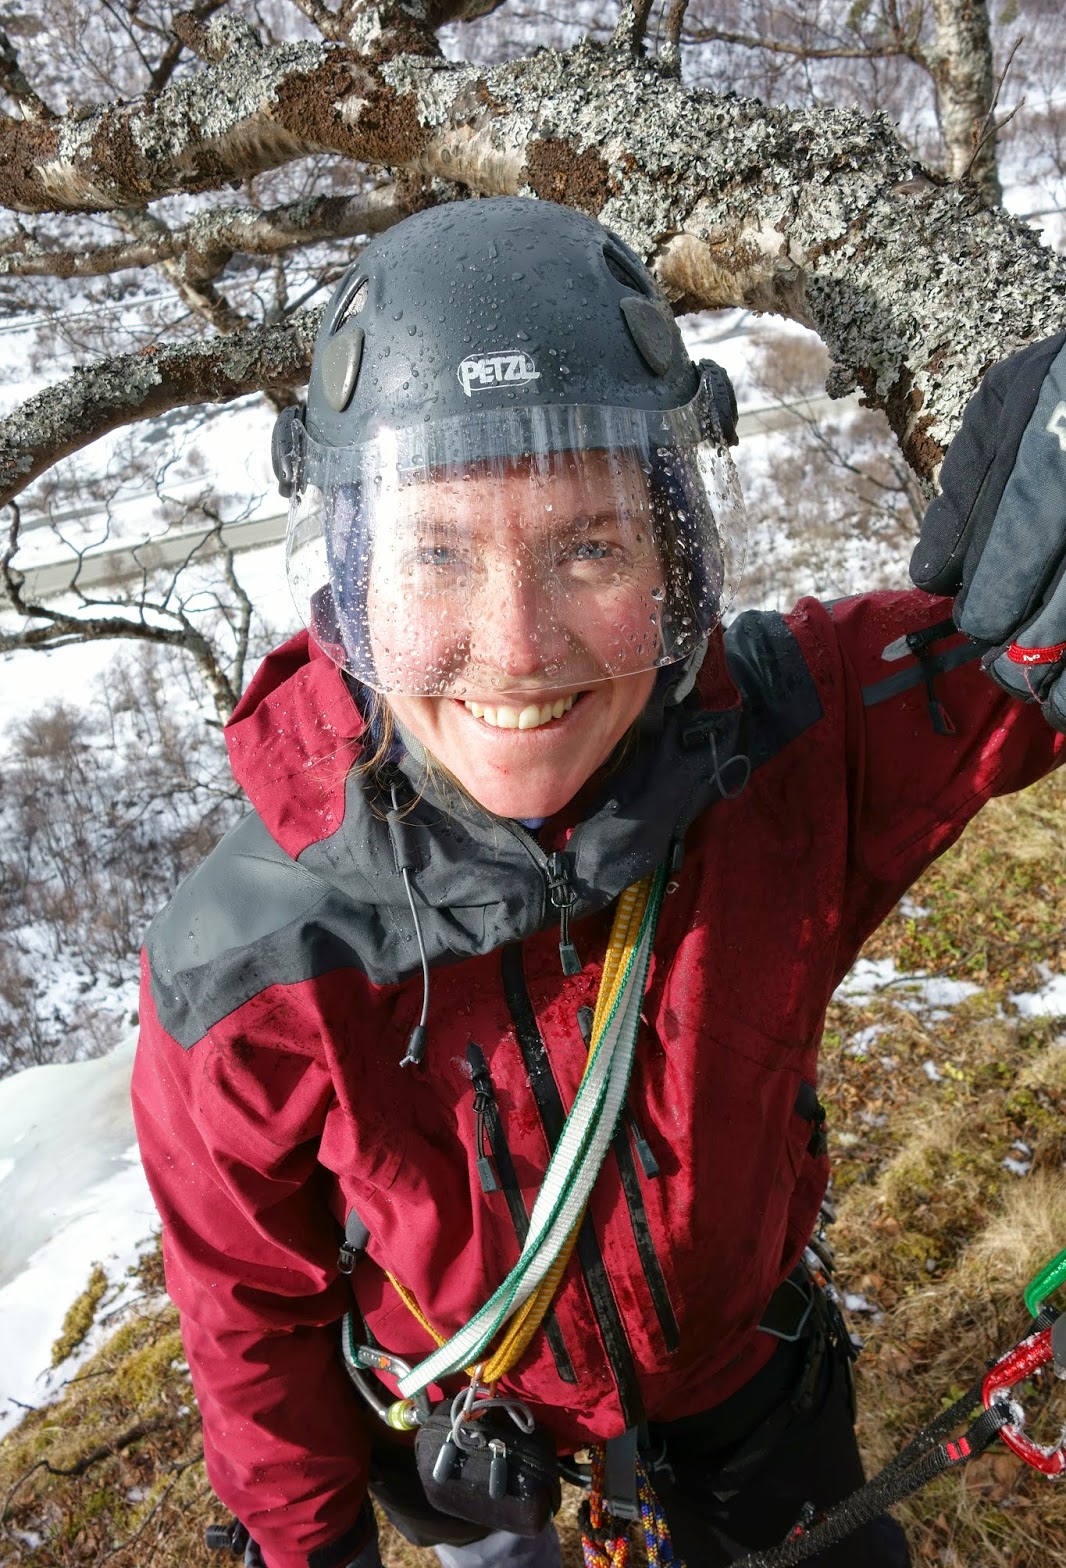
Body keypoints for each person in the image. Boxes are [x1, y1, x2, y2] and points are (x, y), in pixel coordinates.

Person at [132, 195, 1066, 1568]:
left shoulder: (784, 745)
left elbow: (1006, 671)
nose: (516, 647)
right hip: (466, 1423)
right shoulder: (251, 965)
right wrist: (306, 1545)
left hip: (740, 1377)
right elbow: (247, 1311)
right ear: (351, 584)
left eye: (590, 548)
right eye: (435, 554)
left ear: (675, 558)